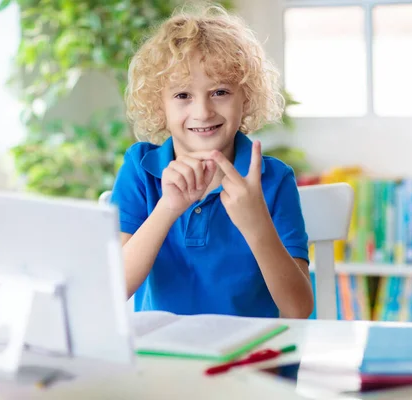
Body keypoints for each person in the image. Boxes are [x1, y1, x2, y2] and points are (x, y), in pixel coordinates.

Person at [110, 3, 313, 319]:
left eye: (220, 92)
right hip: (164, 359)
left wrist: (257, 223)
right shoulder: (140, 169)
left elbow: (298, 309)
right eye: (182, 96)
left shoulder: (273, 180)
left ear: (245, 96)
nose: (203, 112)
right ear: (158, 104)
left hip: (253, 360)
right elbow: (112, 288)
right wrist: (168, 207)